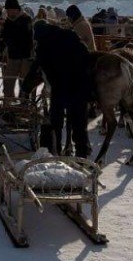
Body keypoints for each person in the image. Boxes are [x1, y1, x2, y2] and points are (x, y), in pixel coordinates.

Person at [24, 21, 93, 159]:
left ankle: (55, 154)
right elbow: (86, 56)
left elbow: (36, 68)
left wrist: (25, 87)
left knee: (56, 123)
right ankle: (82, 157)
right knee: (79, 124)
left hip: (60, 88)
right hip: (79, 86)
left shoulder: (43, 46)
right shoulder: (70, 35)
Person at [0, 0, 34, 100]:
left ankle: (24, 104)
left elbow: (22, 35)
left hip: (25, 56)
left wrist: (7, 28)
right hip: (12, 56)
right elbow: (6, 36)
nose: (8, 12)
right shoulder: (8, 21)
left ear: (16, 9)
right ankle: (8, 104)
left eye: (10, 10)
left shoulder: (25, 19)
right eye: (7, 10)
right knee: (8, 82)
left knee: (24, 83)